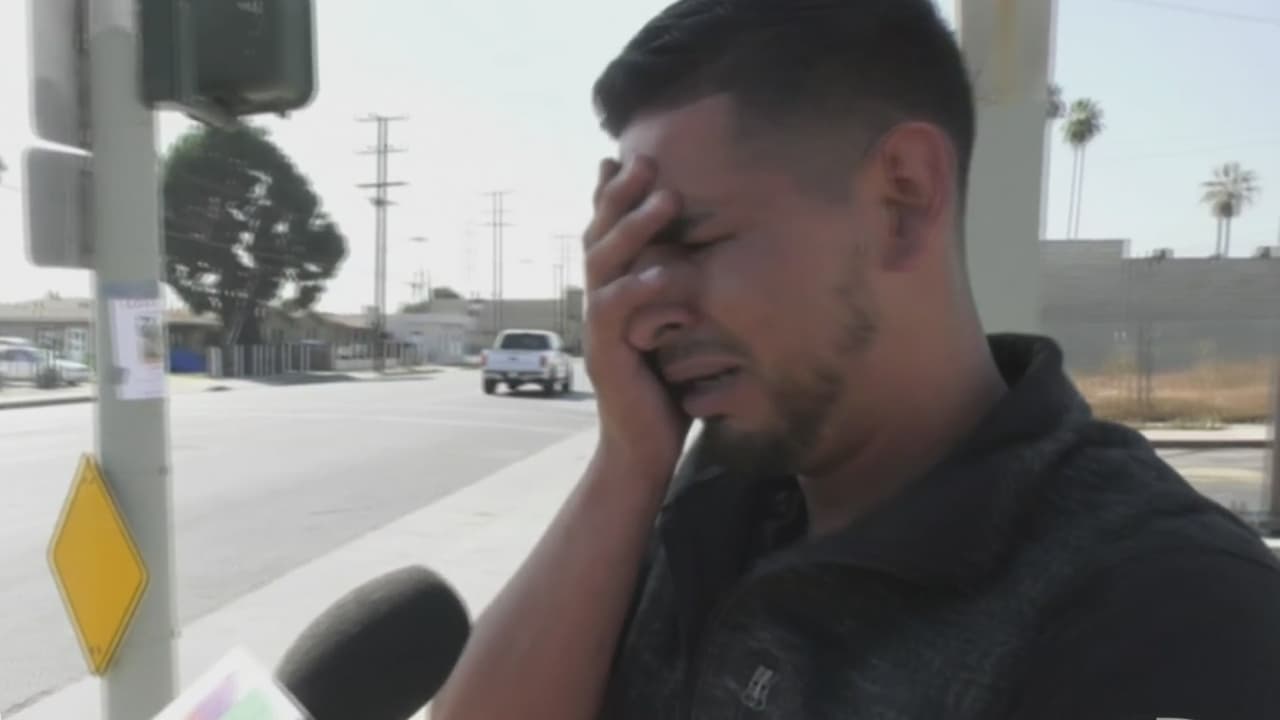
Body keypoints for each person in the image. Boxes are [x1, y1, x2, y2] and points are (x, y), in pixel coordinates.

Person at [433, 1, 1280, 718]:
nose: (646, 316)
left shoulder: (1167, 611)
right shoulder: (720, 490)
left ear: (902, 198)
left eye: (693, 241)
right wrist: (626, 463)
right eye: (630, 262)